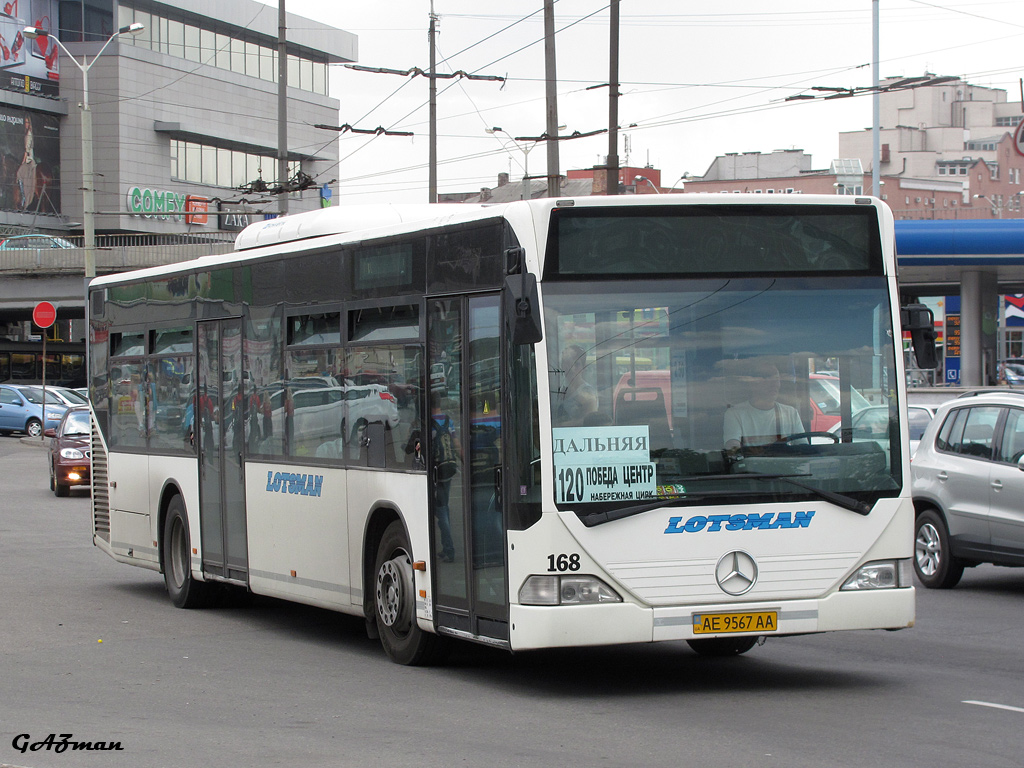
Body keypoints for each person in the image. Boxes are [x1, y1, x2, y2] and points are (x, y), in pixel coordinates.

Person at [724, 362, 804, 450]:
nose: (774, 384)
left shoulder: (791, 413)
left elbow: (803, 448)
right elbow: (732, 447)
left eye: (776, 379)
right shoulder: (735, 414)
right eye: (767, 379)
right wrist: (735, 449)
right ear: (752, 384)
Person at [556, 344, 598, 425]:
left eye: (577, 364)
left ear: (583, 367)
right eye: (567, 363)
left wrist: (561, 425)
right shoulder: (563, 389)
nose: (571, 368)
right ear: (562, 366)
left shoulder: (587, 392)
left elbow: (590, 421)